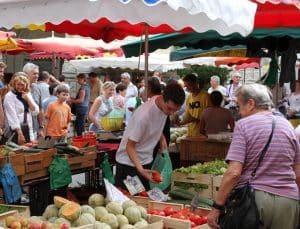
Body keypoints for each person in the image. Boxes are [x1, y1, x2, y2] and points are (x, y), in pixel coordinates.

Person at [207, 84, 300, 229]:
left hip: (255, 202)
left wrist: (216, 207)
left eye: (239, 106)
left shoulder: (244, 125)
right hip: (288, 202)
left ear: (251, 103)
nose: (239, 112)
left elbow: (234, 173)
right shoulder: (288, 126)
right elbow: (298, 174)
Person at [115, 83, 185, 189]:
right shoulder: (143, 116)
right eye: (169, 108)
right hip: (129, 165)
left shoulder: (160, 102)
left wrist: (161, 137)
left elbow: (154, 123)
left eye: (175, 110)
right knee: (132, 201)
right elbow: (130, 146)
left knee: (145, 200)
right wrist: (141, 170)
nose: (171, 113)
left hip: (146, 161)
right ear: (163, 98)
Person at [3, 72, 39, 144]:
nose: (20, 87)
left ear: (26, 85)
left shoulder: (27, 94)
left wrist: (27, 99)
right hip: (15, 130)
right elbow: (12, 116)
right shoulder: (9, 96)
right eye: (18, 84)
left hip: (28, 127)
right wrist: (20, 133)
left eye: (22, 85)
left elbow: (35, 112)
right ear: (14, 84)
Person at [23, 62, 44, 138]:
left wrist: (41, 127)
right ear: (26, 74)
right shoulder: (19, 88)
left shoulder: (36, 88)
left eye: (37, 74)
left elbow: (41, 109)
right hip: (22, 128)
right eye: (34, 74)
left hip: (35, 128)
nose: (37, 76)